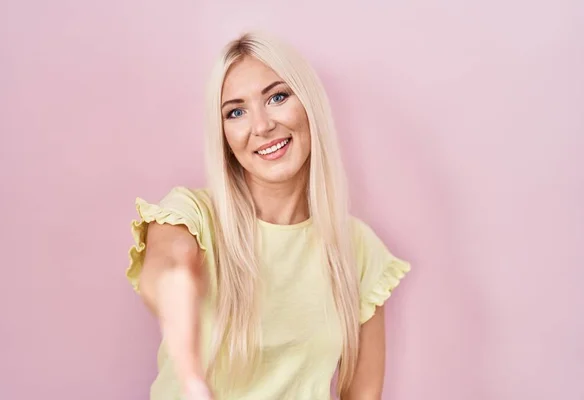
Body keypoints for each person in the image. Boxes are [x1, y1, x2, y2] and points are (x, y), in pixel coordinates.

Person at [126, 31, 411, 400]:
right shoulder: (191, 215)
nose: (261, 126)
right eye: (236, 111)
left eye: (277, 97)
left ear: (308, 105)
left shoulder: (358, 249)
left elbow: (363, 394)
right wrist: (192, 374)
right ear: (224, 134)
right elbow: (168, 272)